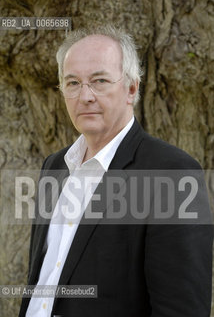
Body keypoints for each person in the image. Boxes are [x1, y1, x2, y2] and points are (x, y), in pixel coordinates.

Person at [19, 25, 213, 317]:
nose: (85, 96)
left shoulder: (172, 174)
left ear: (131, 89)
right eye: (72, 83)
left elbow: (181, 309)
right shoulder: (55, 166)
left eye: (99, 81)